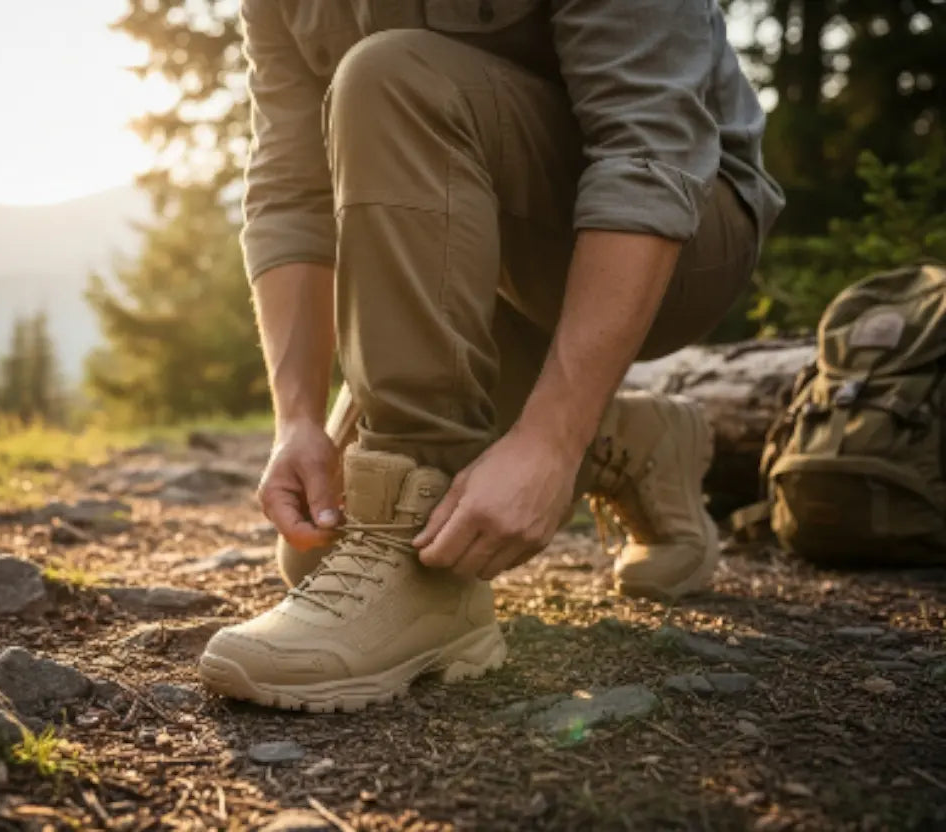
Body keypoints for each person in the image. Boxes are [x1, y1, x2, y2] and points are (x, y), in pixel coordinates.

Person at [199, 0, 784, 712]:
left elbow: (649, 155)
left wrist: (552, 441)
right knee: (318, 544)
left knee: (392, 74)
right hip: (471, 245)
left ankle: (434, 592)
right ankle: (634, 441)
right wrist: (296, 422)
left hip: (685, 226)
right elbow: (291, 191)